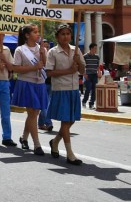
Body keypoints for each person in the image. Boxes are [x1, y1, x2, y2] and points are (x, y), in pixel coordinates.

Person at [45, 23, 86, 165]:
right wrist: (68, 71)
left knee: (71, 120)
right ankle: (70, 154)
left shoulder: (76, 50)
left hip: (74, 89)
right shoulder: (52, 52)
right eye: (62, 34)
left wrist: (78, 62)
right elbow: (49, 72)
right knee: (65, 121)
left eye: (68, 34)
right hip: (61, 89)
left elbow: (82, 70)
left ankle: (55, 142)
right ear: (57, 36)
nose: (66, 36)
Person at [12, 24, 48, 156]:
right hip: (27, 83)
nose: (38, 34)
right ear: (27, 35)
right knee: (32, 112)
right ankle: (37, 144)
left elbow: (45, 66)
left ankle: (24, 137)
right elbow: (16, 68)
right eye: (35, 32)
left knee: (34, 114)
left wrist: (43, 55)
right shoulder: (20, 50)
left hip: (40, 83)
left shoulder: (41, 48)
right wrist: (33, 68)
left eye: (38, 32)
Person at [38, 39, 54, 132]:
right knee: (45, 104)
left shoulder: (52, 55)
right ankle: (48, 123)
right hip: (42, 83)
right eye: (44, 46)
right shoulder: (38, 55)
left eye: (47, 46)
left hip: (51, 82)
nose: (46, 48)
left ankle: (40, 123)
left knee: (46, 104)